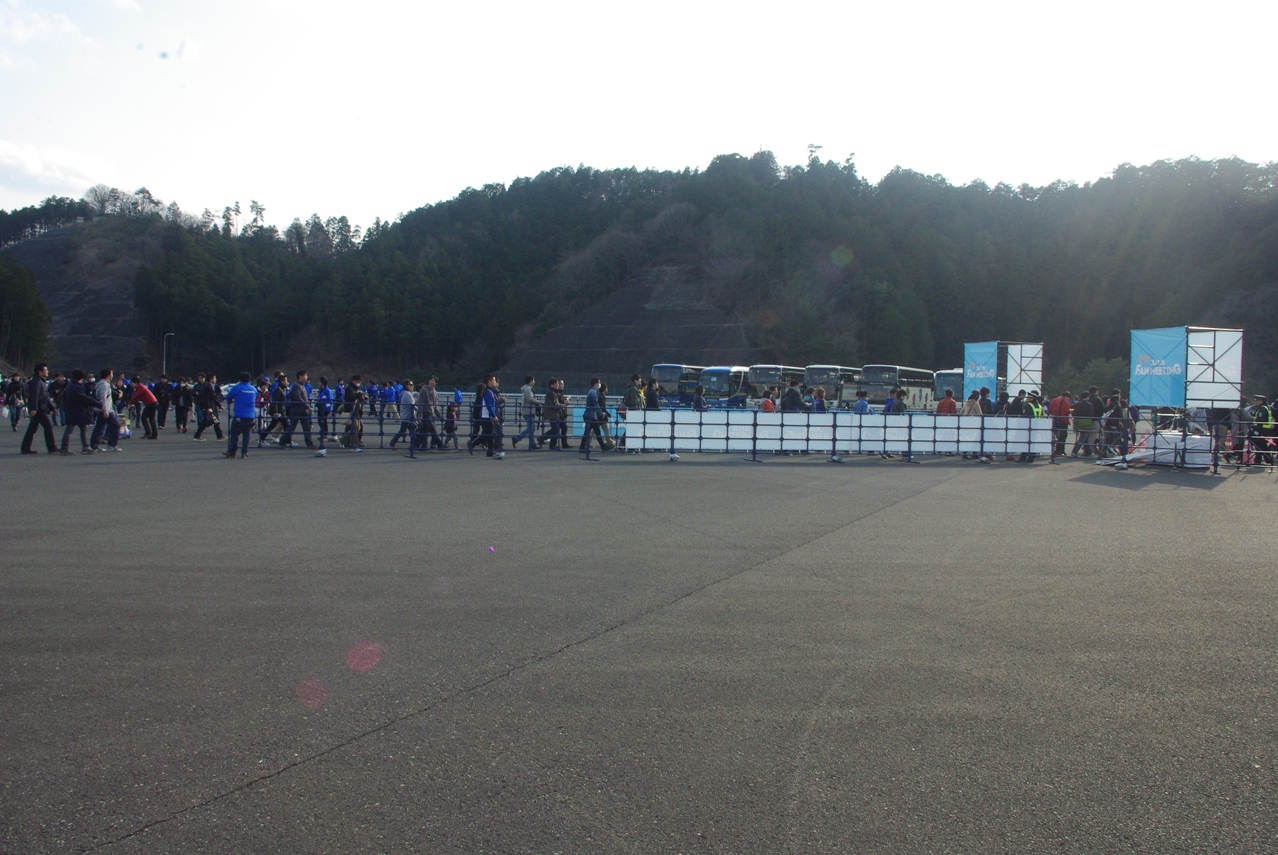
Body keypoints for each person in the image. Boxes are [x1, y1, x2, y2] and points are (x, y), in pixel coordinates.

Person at [58, 370, 101, 454]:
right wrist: (98, 404)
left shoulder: (72, 385)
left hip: (74, 411)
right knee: (74, 430)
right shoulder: (76, 387)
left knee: (78, 429)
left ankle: (83, 447)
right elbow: (84, 398)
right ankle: (66, 448)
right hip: (77, 411)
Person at [19, 363, 58, 454]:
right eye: (45, 370)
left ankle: (25, 448)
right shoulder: (37, 382)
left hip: (39, 407)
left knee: (32, 428)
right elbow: (35, 395)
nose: (47, 372)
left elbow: (45, 396)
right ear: (40, 372)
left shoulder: (40, 381)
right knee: (48, 426)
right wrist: (34, 408)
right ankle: (51, 447)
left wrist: (51, 407)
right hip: (39, 409)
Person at [468, 374, 504, 458]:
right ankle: (473, 443)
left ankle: (490, 451)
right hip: (486, 416)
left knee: (490, 434)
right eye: (494, 380)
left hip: (487, 415)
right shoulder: (487, 392)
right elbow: (489, 405)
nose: (495, 382)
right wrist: (493, 415)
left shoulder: (489, 391)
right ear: (489, 381)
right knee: (488, 434)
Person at [223, 372, 258, 458]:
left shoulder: (237, 387)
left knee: (234, 433)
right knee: (247, 434)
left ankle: (232, 451)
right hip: (250, 415)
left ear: (240, 379)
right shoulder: (253, 389)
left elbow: (228, 397)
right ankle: (245, 452)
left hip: (240, 415)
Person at [280, 369, 316, 448]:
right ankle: (282, 441)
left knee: (306, 427)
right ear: (300, 376)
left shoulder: (302, 385)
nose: (306, 377)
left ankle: (310, 443)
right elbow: (298, 398)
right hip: (297, 410)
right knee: (292, 427)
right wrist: (307, 406)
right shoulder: (296, 386)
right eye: (305, 375)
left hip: (302, 410)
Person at [89, 367, 122, 452]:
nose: (112, 375)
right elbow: (103, 398)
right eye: (111, 374)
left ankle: (94, 445)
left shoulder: (102, 384)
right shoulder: (104, 385)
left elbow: (108, 399)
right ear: (108, 375)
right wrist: (106, 410)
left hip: (102, 409)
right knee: (116, 425)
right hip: (103, 409)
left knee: (99, 427)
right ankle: (112, 444)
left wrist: (111, 409)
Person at [512, 375, 541, 450]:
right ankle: (517, 438)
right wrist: (538, 401)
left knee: (532, 429)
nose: (534, 382)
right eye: (533, 380)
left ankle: (532, 444)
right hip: (529, 411)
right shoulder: (528, 389)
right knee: (530, 428)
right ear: (530, 381)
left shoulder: (527, 388)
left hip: (528, 410)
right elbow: (530, 399)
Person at [539, 378, 568, 450]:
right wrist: (562, 405)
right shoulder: (552, 393)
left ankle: (544, 440)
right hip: (553, 414)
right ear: (551, 385)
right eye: (556, 384)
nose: (557, 385)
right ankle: (549, 443)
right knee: (555, 429)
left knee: (556, 429)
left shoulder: (554, 393)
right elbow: (554, 405)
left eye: (557, 383)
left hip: (555, 414)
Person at [580, 376, 607, 453]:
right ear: (596, 383)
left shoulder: (591, 392)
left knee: (593, 431)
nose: (599, 384)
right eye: (599, 382)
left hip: (590, 415)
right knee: (592, 432)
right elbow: (596, 405)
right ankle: (602, 447)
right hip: (591, 416)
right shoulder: (593, 393)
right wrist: (601, 413)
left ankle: (602, 446)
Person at [128, 375, 159, 439]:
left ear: (136, 383)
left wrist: (130, 403)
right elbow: (136, 396)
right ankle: (154, 434)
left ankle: (148, 433)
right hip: (153, 403)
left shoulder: (140, 387)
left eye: (132, 383)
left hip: (151, 404)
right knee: (151, 419)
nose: (131, 384)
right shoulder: (139, 387)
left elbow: (136, 396)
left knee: (144, 418)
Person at [389, 379, 417, 449]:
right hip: (407, 416)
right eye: (411, 385)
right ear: (406, 386)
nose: (412, 386)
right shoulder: (407, 394)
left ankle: (414, 445)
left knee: (410, 431)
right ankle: (392, 443)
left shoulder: (406, 394)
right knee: (404, 431)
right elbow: (412, 405)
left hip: (407, 415)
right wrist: (419, 410)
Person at [341, 374, 366, 451]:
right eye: (358, 381)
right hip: (352, 411)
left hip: (356, 411)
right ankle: (354, 445)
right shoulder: (349, 388)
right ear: (354, 381)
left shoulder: (355, 388)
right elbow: (350, 397)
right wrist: (358, 395)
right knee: (356, 428)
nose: (359, 383)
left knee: (356, 428)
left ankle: (344, 441)